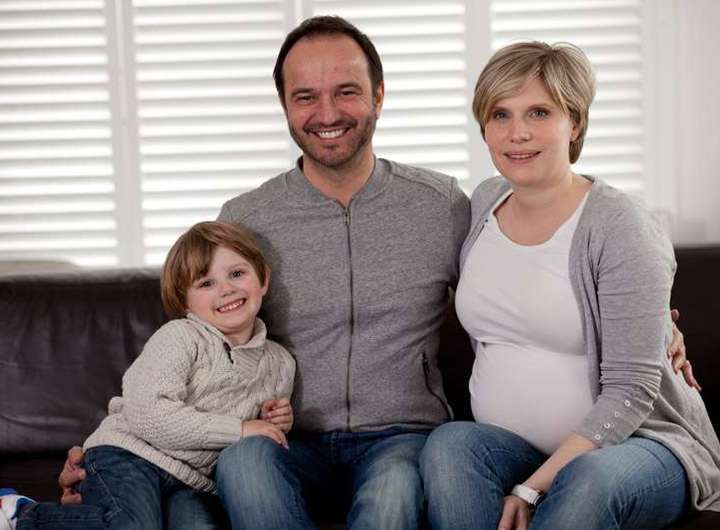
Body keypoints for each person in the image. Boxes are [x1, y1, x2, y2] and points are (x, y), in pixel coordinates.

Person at [56, 17, 692, 530]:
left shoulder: (445, 205)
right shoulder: (246, 220)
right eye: (305, 96)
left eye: (346, 91)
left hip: (402, 437)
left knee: (394, 496)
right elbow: (191, 345)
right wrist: (114, 458)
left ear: (379, 96)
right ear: (284, 106)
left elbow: (556, 273)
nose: (326, 111)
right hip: (290, 440)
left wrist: (655, 327)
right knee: (244, 465)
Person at [419, 41, 720, 530]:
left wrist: (532, 487)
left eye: (539, 112)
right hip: (515, 446)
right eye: (500, 114)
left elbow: (631, 390)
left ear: (575, 123)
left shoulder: (619, 223)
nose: (517, 133)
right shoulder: (483, 203)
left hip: (638, 446)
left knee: (589, 480)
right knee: (449, 446)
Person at [13, 221, 295, 530]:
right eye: (206, 283)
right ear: (184, 301)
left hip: (192, 483)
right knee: (133, 525)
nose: (226, 289)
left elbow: (256, 441)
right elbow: (149, 415)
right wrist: (239, 429)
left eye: (237, 274)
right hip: (129, 455)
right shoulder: (180, 337)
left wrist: (275, 422)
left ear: (263, 278)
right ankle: (21, 514)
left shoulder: (281, 364)